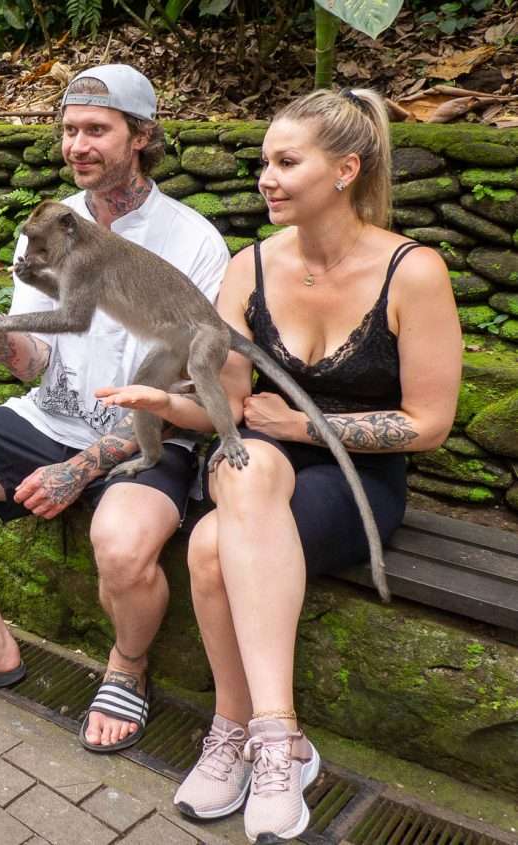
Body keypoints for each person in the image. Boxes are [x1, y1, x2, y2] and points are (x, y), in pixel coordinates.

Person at [100, 88, 460, 842]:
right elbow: (230, 409)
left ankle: (246, 729)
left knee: (206, 547)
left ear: (345, 170)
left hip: (362, 478)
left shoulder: (412, 271)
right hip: (263, 465)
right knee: (241, 471)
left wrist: (303, 420)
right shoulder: (249, 269)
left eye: (286, 161)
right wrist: (166, 406)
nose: (265, 176)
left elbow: (427, 425)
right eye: (264, 160)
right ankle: (270, 737)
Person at [0, 64, 230, 752]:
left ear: (142, 136)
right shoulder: (48, 226)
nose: (77, 145)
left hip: (147, 436)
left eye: (97, 129)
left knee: (122, 546)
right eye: (69, 130)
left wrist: (85, 465)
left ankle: (128, 667)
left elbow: (188, 392)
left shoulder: (194, 242)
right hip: (49, 417)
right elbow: (35, 360)